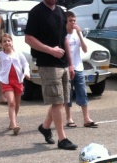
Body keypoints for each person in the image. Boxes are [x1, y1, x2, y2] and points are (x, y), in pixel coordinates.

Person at [24, 0, 77, 149]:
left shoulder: (60, 11)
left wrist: (71, 63)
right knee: (57, 101)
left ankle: (45, 127)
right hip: (47, 63)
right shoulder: (36, 12)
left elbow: (65, 39)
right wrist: (50, 50)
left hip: (63, 63)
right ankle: (62, 139)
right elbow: (28, 39)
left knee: (61, 100)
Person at [64, 11, 96, 128]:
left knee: (82, 92)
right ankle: (69, 118)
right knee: (68, 94)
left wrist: (79, 34)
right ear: (65, 22)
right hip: (66, 69)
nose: (73, 23)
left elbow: (85, 49)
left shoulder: (77, 34)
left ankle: (86, 118)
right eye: (70, 21)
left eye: (74, 20)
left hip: (78, 67)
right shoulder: (62, 35)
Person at [0, 32, 30, 134]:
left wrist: (26, 73)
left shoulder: (18, 53)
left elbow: (25, 64)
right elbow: (0, 68)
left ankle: (12, 122)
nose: (7, 43)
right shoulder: (0, 55)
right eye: (4, 41)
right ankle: (14, 125)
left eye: (8, 41)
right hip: (6, 82)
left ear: (12, 42)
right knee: (11, 102)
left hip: (18, 81)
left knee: (17, 104)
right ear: (1, 44)